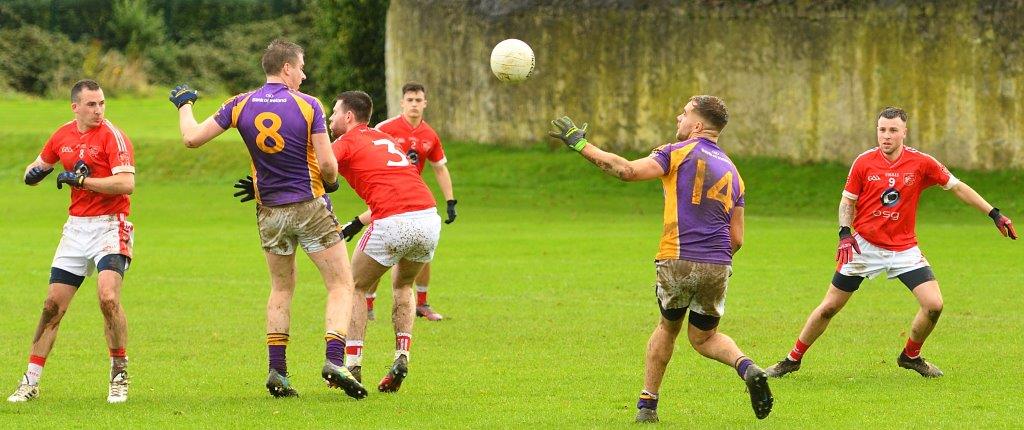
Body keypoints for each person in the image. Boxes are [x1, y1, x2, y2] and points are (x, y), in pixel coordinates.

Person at [548, 95, 773, 423]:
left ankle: (647, 406)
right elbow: (737, 238)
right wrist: (715, 263)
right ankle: (747, 367)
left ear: (697, 125)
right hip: (718, 263)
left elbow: (625, 170)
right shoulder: (735, 173)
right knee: (704, 337)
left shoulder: (676, 152)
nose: (677, 118)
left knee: (668, 328)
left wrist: (580, 143)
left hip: (676, 257)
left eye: (683, 114)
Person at [169, 39, 366, 399]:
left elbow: (191, 139)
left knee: (281, 288)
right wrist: (333, 183)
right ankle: (335, 361)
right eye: (301, 67)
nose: (304, 75)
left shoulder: (239, 103)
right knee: (341, 284)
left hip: (269, 211)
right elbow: (326, 165)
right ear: (287, 68)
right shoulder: (309, 105)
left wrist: (185, 104)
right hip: (309, 205)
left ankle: (278, 371)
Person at [765, 106, 1016, 379]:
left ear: (904, 133)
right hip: (863, 246)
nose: (886, 136)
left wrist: (994, 214)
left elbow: (957, 187)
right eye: (882, 129)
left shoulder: (921, 163)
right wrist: (844, 233)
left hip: (904, 248)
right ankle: (792, 359)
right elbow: (847, 200)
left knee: (934, 305)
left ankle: (910, 356)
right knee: (828, 308)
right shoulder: (864, 162)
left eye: (893, 130)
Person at [9, 79, 136, 404]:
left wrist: (83, 181)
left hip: (111, 226)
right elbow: (36, 166)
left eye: (102, 103)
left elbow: (126, 183)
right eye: (91, 104)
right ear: (75, 107)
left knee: (108, 298)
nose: (98, 110)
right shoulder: (62, 135)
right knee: (52, 306)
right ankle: (31, 381)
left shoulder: (113, 136)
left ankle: (119, 373)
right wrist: (32, 175)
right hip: (76, 230)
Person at [330, 91, 442, 392]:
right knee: (403, 285)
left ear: (349, 117)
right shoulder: (387, 139)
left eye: (334, 112)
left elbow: (316, 169)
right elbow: (394, 187)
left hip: (393, 221)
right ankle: (402, 354)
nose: (330, 118)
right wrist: (357, 222)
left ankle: (352, 364)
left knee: (355, 286)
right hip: (428, 217)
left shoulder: (345, 142)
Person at [340, 82, 456, 322]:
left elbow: (440, 169)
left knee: (412, 253)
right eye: (410, 100)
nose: (414, 104)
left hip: (411, 197)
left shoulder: (430, 135)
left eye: (418, 100)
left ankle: (421, 304)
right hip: (396, 200)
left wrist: (451, 200)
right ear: (402, 102)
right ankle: (369, 305)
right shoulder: (384, 129)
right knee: (384, 257)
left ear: (425, 103)